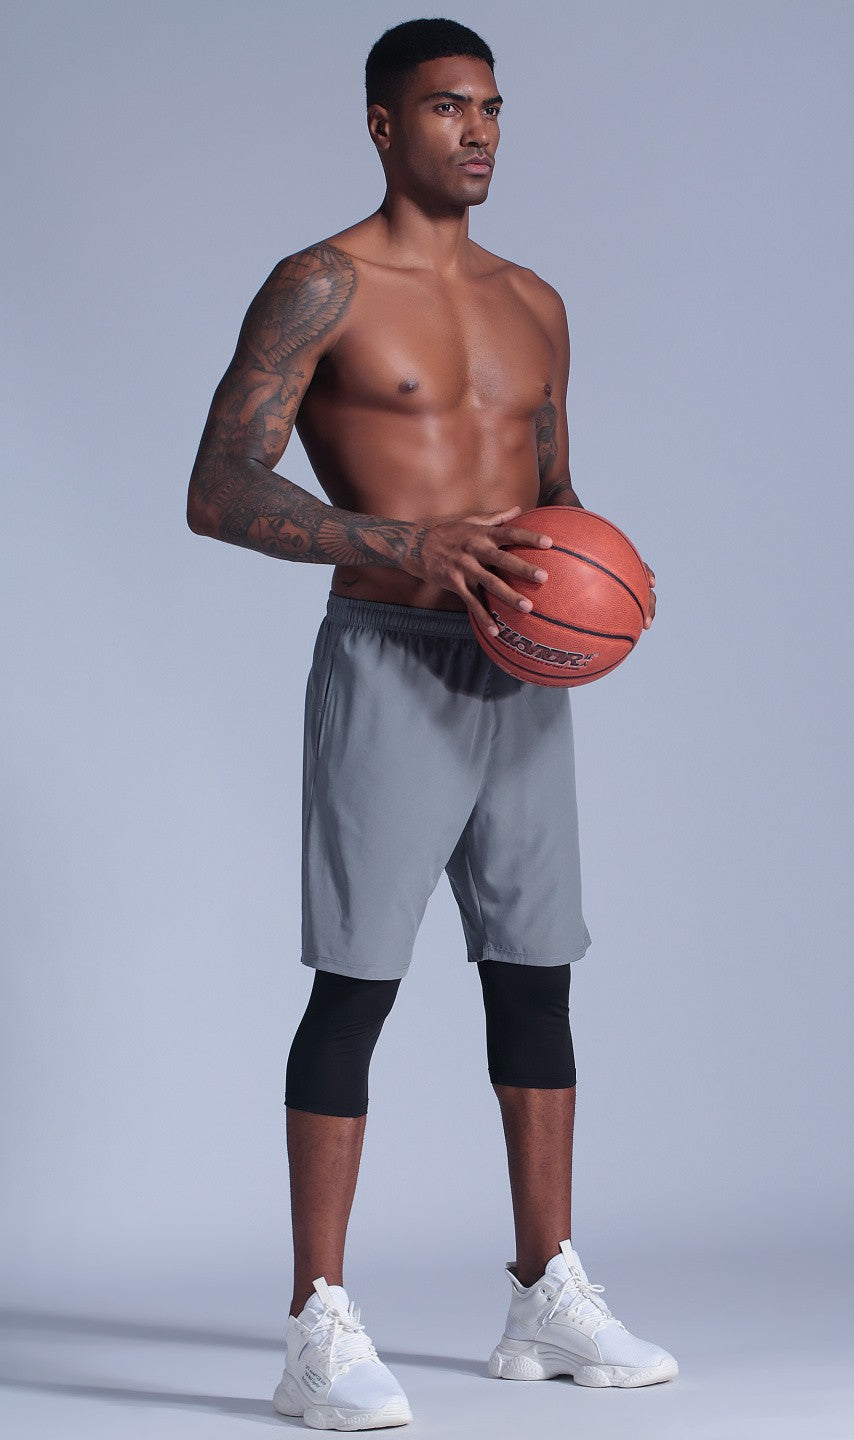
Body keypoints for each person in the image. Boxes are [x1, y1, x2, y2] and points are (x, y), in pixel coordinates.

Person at [187, 16, 674, 1431]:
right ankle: (316, 1326)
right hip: (389, 655)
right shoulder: (321, 284)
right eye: (450, 107)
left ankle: (543, 1293)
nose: (479, 132)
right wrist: (403, 545)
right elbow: (219, 486)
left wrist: (605, 581)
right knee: (357, 987)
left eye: (494, 109)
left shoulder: (536, 301)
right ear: (383, 125)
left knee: (536, 974)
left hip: (522, 672)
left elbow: (556, 490)